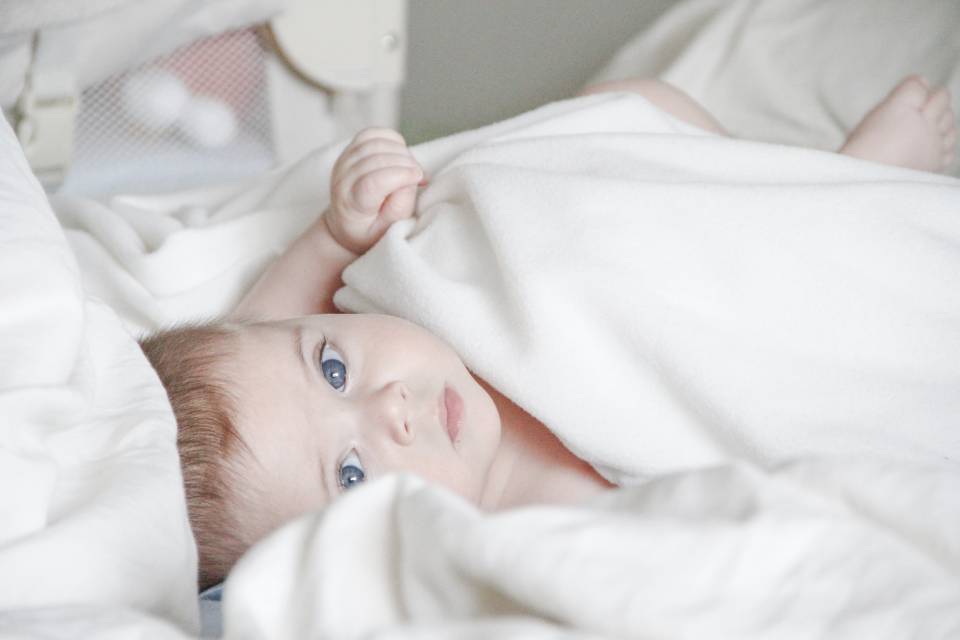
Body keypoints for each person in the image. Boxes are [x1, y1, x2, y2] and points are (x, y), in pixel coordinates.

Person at [139, 75, 956, 590]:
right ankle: (863, 186)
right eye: (351, 474)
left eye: (334, 369)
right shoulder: (508, 548)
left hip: (673, 260)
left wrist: (338, 231)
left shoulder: (418, 312)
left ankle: (818, 185)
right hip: (753, 387)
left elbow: (259, 326)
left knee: (654, 115)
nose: (391, 405)